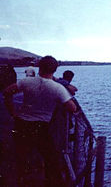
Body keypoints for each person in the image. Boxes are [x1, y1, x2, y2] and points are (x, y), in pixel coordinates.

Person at [3, 56, 77, 187]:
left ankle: (22, 181)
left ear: (39, 67)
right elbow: (72, 108)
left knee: (22, 156)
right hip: (41, 126)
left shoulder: (26, 82)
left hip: (21, 124)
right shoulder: (57, 88)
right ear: (55, 69)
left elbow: (7, 92)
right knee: (50, 158)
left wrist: (12, 113)